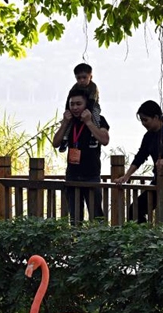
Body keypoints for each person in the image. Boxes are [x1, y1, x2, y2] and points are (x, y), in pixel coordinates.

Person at [52, 89, 110, 225]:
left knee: (96, 216)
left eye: (79, 104)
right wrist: (65, 123)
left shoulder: (98, 120)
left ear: (86, 105)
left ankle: (98, 243)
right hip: (72, 175)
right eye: (72, 104)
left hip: (91, 175)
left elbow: (105, 140)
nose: (75, 108)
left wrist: (89, 122)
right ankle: (75, 242)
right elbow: (55, 143)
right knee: (75, 216)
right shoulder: (70, 122)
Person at [58, 63, 101, 152]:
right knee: (68, 118)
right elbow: (68, 101)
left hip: (92, 106)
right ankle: (65, 138)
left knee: (95, 114)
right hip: (77, 108)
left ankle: (94, 137)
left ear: (90, 76)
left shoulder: (93, 87)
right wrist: (68, 112)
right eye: (78, 78)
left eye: (84, 77)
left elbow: (91, 102)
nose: (81, 80)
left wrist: (85, 115)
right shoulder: (74, 87)